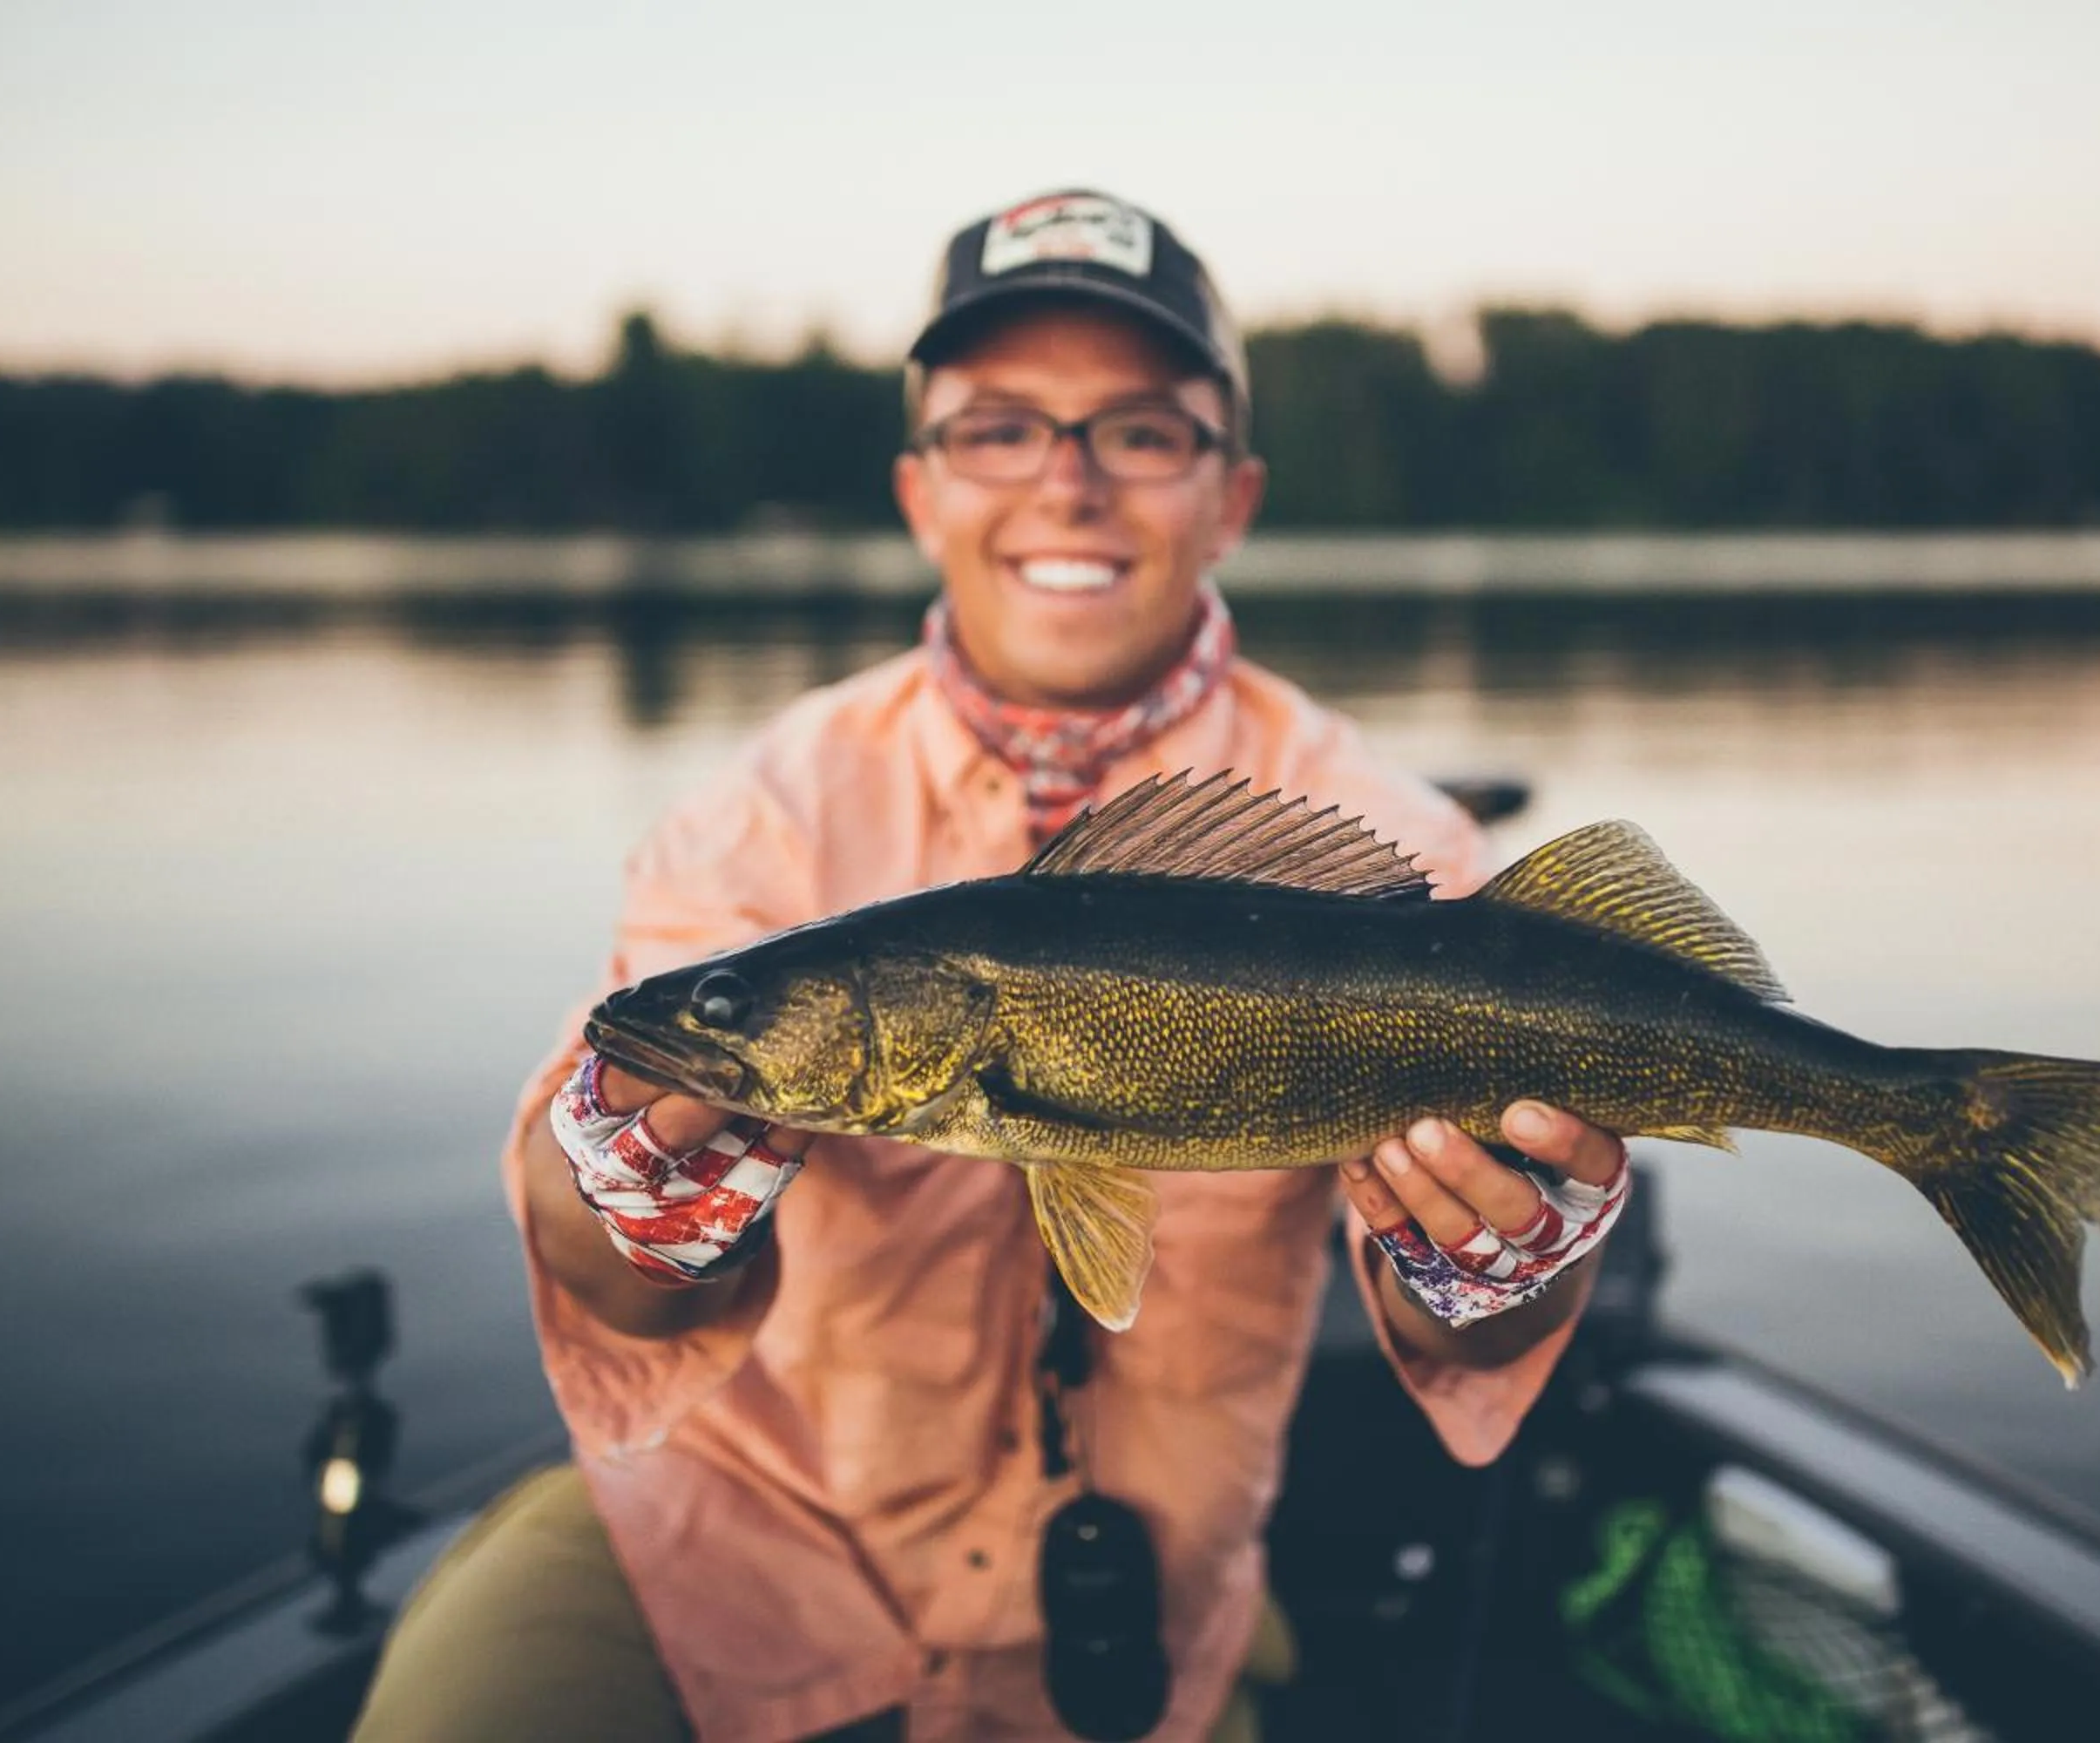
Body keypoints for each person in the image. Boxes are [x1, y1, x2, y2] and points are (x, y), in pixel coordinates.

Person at [353, 189, 1630, 1743]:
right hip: (727, 1554)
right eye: (999, 429)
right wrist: (626, 1179)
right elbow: (605, 1273)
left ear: (1232, 496)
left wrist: (1498, 1259)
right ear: (919, 490)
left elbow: (1473, 1334)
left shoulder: (1397, 843)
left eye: (1142, 432)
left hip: (1139, 1636)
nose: (1069, 485)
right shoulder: (762, 813)